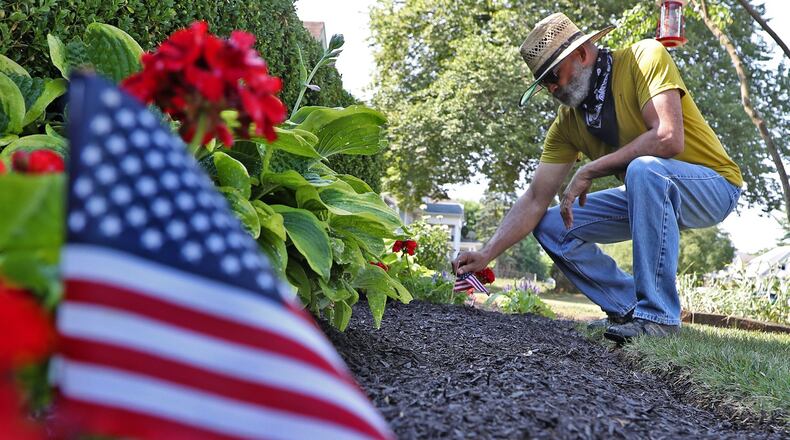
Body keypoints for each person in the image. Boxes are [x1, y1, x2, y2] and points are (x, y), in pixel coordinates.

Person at [452, 13, 742, 343]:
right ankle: (629, 309)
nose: (552, 88)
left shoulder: (644, 57)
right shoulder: (567, 124)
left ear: (582, 53)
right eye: (544, 83)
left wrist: (590, 168)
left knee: (644, 169)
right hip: (648, 192)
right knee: (551, 226)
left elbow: (667, 137)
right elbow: (535, 198)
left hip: (713, 186)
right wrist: (487, 252)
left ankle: (659, 318)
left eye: (554, 75)